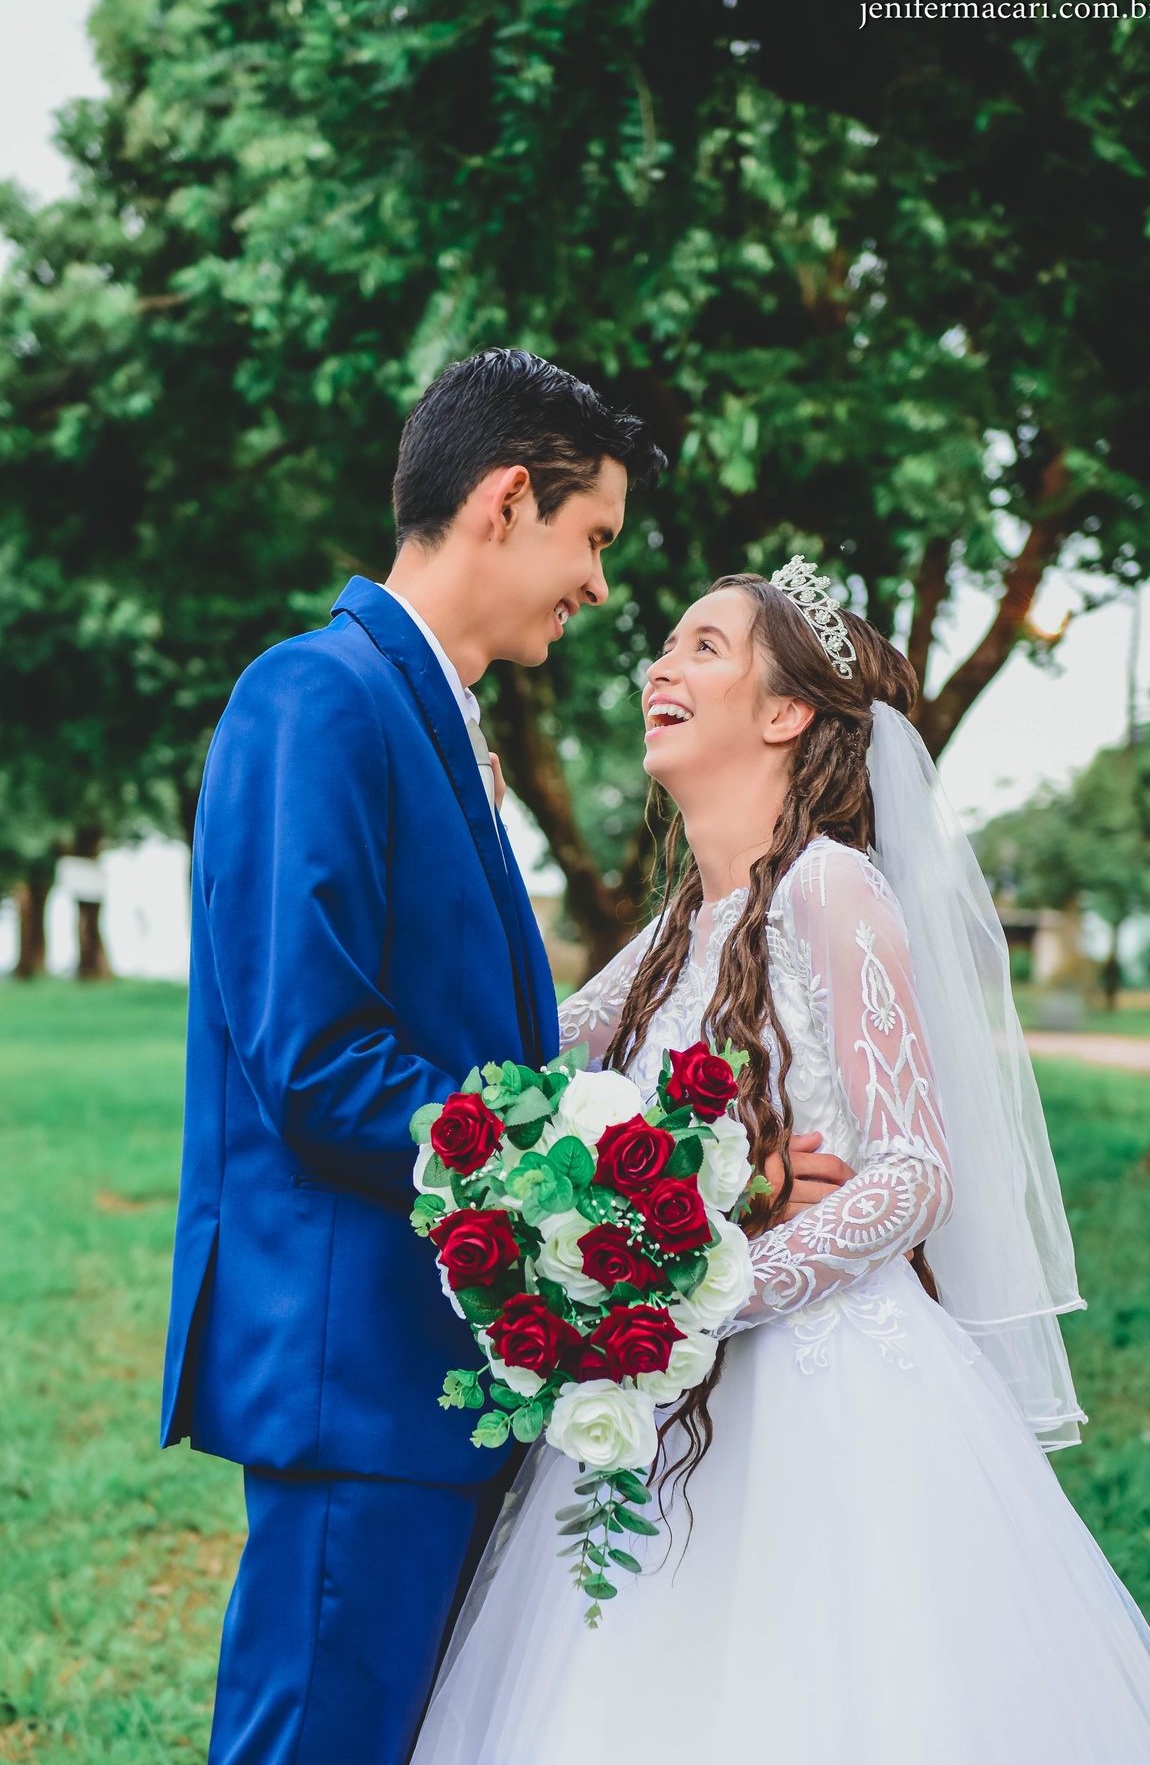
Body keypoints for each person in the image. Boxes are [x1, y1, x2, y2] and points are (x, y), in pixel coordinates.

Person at [412, 563, 1150, 1764]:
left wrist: (703, 1289)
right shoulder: (681, 923)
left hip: (826, 1393)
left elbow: (913, 1170)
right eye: (667, 645)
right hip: (669, 1394)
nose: (659, 665)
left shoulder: (833, 887)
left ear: (785, 713)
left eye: (705, 647)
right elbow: (528, 1071)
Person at [159, 348, 670, 1764]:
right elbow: (318, 1062)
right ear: (507, 500)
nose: (599, 585)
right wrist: (576, 1177)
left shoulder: (434, 716)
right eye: (593, 537)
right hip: (360, 1371)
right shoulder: (316, 693)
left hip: (437, 1371)